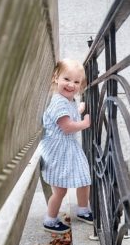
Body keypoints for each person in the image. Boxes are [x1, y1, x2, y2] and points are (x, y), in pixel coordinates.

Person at [39, 59, 94, 234]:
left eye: (76, 82)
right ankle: (50, 220)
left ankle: (83, 209)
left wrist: (78, 110)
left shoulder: (67, 101)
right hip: (58, 151)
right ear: (56, 77)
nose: (71, 84)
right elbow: (67, 126)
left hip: (67, 148)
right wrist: (85, 123)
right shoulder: (58, 102)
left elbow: (68, 116)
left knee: (85, 178)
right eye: (67, 79)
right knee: (60, 190)